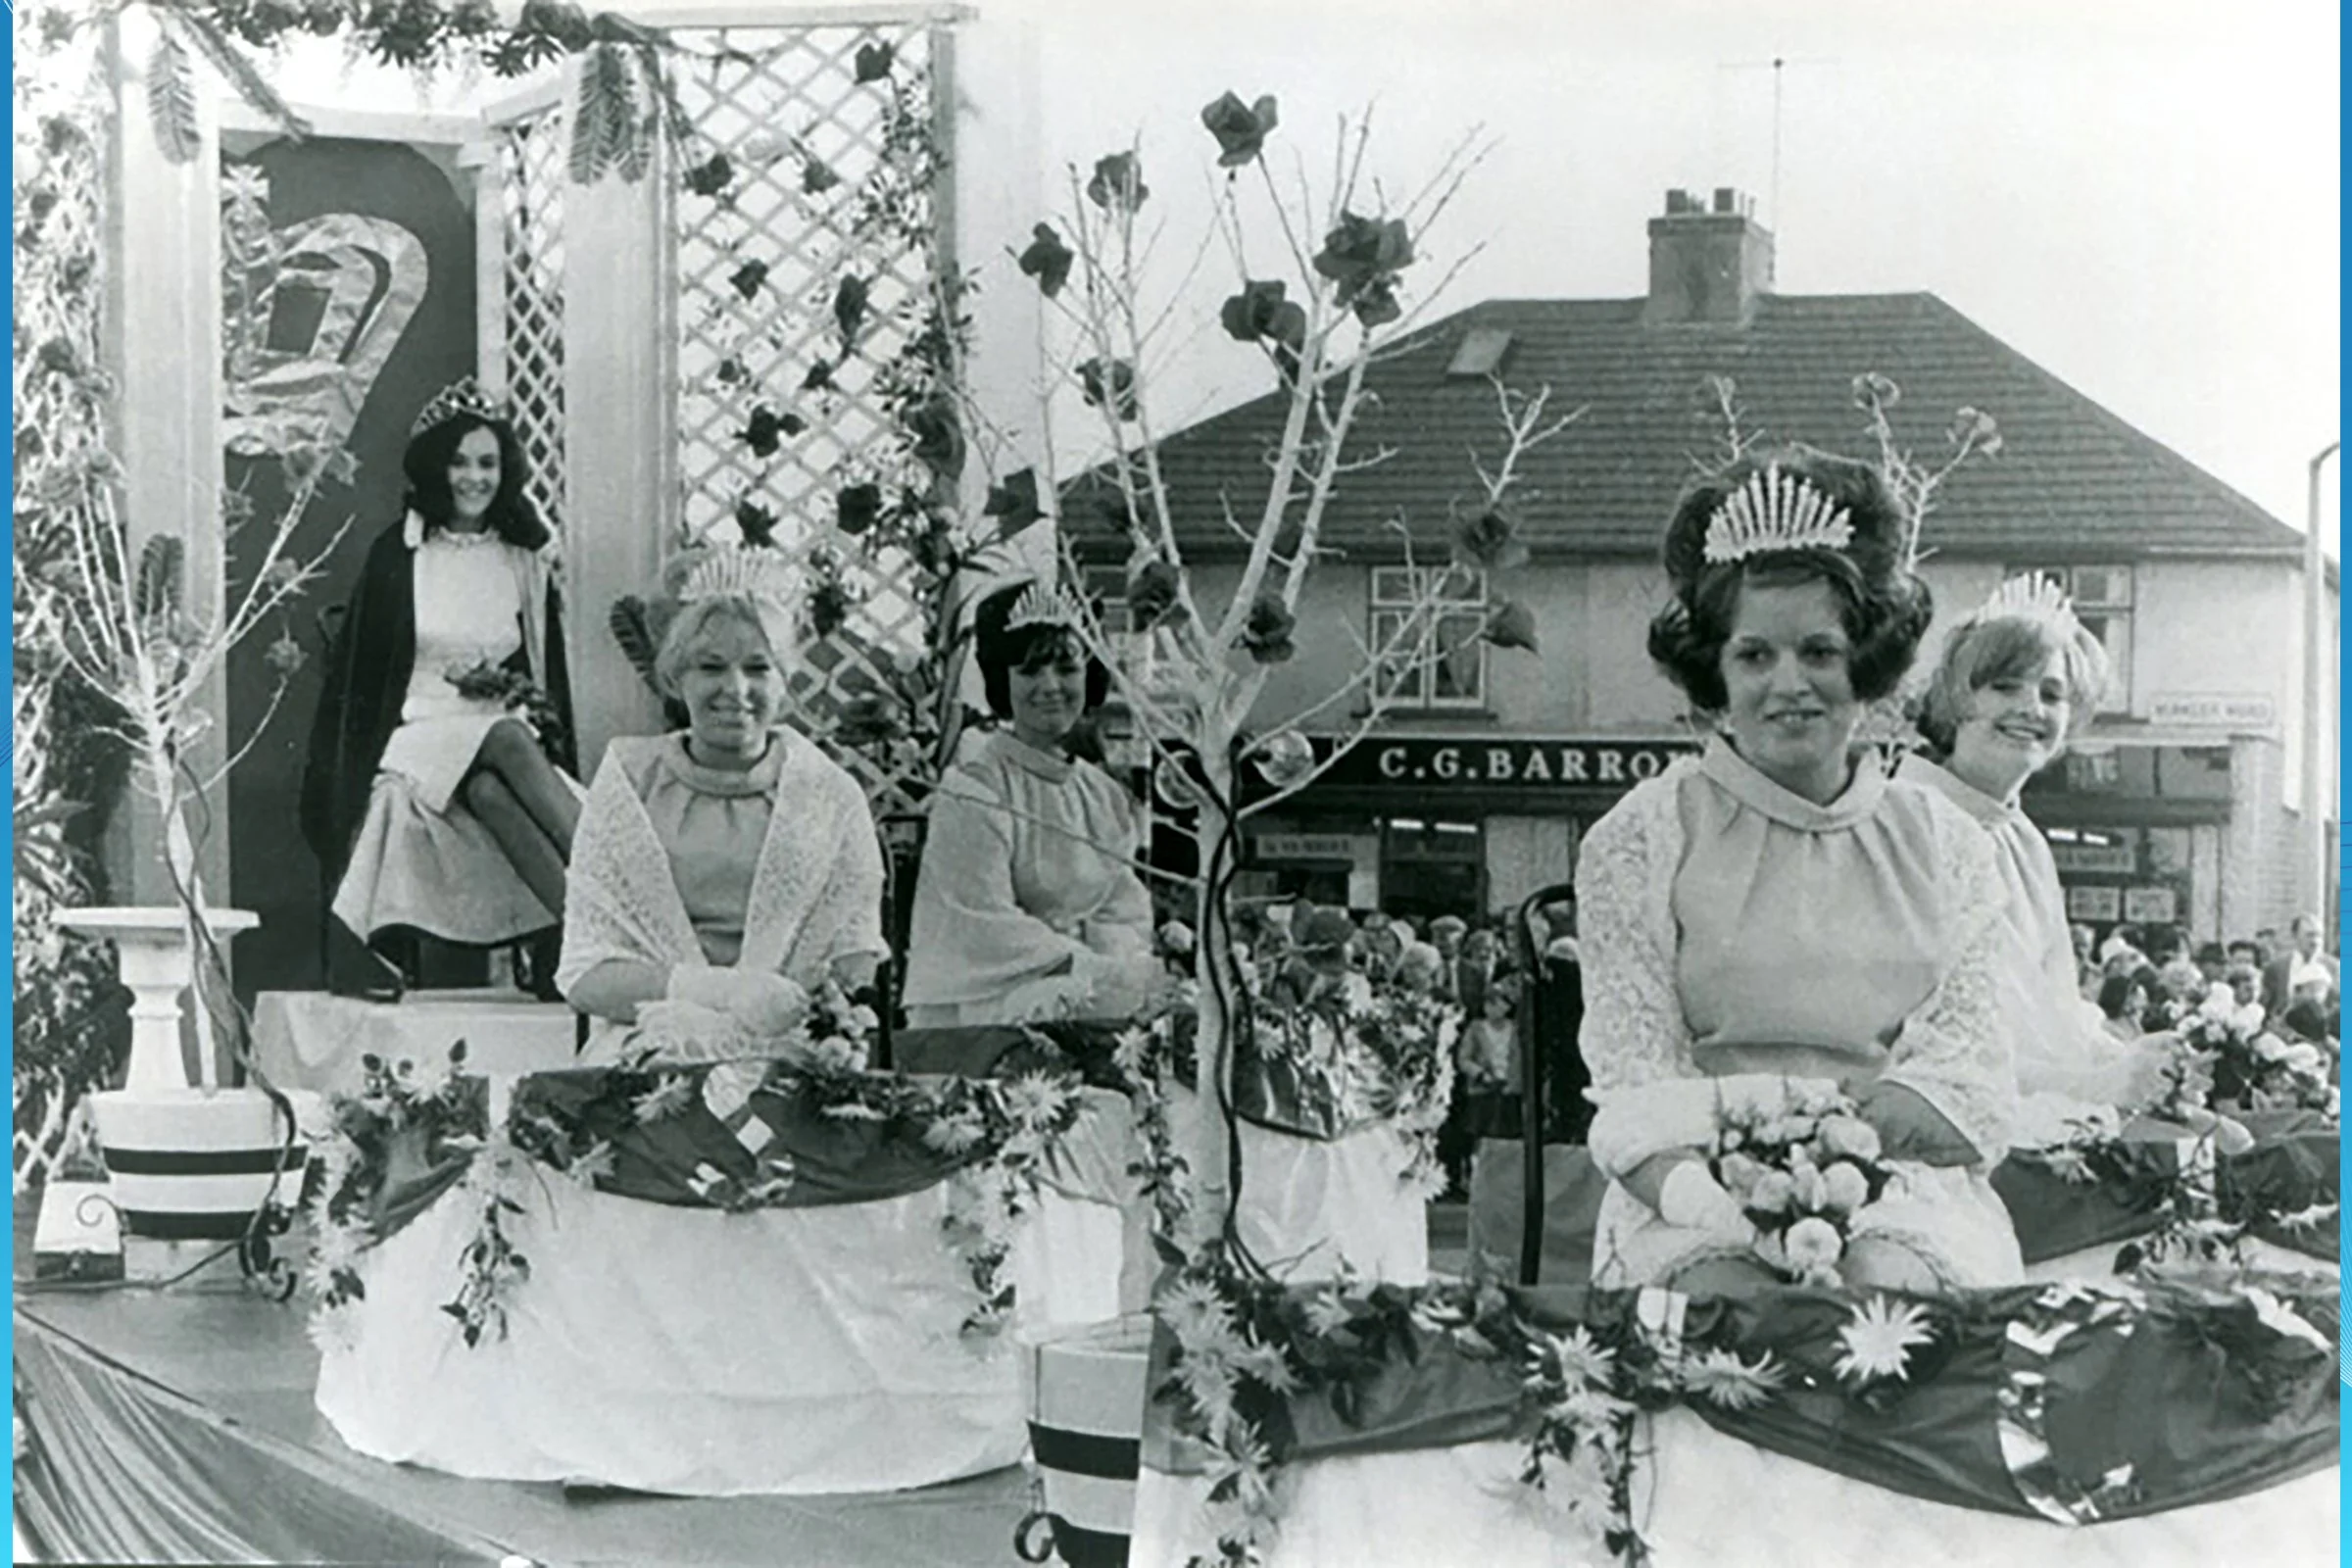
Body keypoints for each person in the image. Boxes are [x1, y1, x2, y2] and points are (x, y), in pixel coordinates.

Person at [1577, 450, 2021, 1295]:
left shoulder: (1949, 845)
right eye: (1755, 657)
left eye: (1819, 651)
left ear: (1867, 661)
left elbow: (1971, 1090)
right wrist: (1734, 1207)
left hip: (1899, 1189)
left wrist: (1834, 1167)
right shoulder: (1639, 838)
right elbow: (1636, 1094)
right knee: (1730, 1318)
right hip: (1690, 1192)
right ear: (1718, 668)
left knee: (1885, 1305)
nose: (1791, 686)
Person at [300, 379, 578, 999]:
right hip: (416, 727)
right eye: (459, 461)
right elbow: (361, 682)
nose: (473, 477)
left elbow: (542, 671)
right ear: (435, 466)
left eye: (487, 463)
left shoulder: (521, 559)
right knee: (505, 738)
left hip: (493, 735)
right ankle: (619, 876)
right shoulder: (401, 554)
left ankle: (585, 941)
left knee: (491, 790)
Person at [558, 544, 885, 1062]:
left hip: (791, 1049)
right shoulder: (629, 784)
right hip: (648, 1045)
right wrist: (719, 995)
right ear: (674, 675)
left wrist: (808, 1024)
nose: (736, 689)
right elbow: (586, 974)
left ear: (785, 679)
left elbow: (852, 958)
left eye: (758, 667)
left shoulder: (830, 796)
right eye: (711, 667)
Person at [1903, 576, 2169, 1108]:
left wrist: (2136, 1062)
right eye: (2005, 686)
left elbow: (2055, 1009)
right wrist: (2092, 1086)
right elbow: (1917, 1040)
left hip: (2046, 1113)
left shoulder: (2025, 841)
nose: (2031, 708)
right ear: (1957, 698)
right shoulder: (1905, 821)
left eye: (2051, 694)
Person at [901, 579, 1158, 1027]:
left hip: (1086, 997)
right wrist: (1082, 966)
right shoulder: (973, 789)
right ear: (1002, 679)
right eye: (1029, 671)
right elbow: (982, 921)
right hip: (988, 1005)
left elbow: (1124, 910)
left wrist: (1116, 967)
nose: (1050, 686)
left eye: (1066, 667)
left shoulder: (1104, 795)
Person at [2262, 914, 2339, 1019]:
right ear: (2294, 935)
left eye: (2319, 935)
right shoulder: (2276, 968)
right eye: (2309, 935)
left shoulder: (2334, 967)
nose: (2315, 941)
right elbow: (2268, 1006)